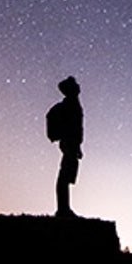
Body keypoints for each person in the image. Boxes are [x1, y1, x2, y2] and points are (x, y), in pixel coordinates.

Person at [49, 76, 84, 217]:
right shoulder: (69, 104)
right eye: (75, 84)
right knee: (64, 175)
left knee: (68, 175)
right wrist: (71, 145)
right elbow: (71, 126)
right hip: (68, 143)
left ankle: (64, 208)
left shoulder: (74, 104)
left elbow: (77, 127)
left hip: (72, 144)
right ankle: (63, 209)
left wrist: (78, 147)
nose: (78, 86)